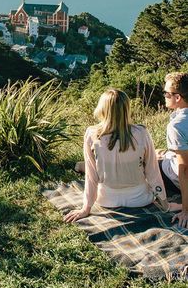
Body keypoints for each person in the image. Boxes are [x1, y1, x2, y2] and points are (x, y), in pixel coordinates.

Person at [64, 88, 167, 223]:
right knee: (158, 159)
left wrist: (86, 208)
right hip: (140, 199)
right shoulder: (141, 132)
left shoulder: (91, 133)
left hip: (106, 200)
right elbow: (152, 172)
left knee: (91, 167)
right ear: (126, 109)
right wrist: (165, 203)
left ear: (102, 109)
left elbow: (91, 176)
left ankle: (79, 166)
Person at [158, 72, 188, 228]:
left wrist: (185, 209)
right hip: (176, 159)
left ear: (178, 98)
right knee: (158, 152)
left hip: (175, 175)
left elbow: (184, 170)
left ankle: (86, 166)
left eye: (166, 93)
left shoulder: (177, 126)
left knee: (139, 162)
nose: (164, 96)